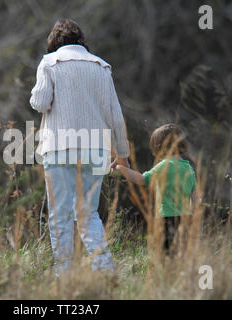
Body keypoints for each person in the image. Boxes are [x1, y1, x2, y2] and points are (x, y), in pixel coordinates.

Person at [30, 19, 129, 275]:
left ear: (54, 41)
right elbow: (115, 117)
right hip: (95, 149)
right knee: (88, 214)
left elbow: (40, 102)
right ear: (80, 40)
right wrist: (122, 154)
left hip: (59, 148)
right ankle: (105, 270)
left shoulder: (49, 63)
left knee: (60, 216)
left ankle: (64, 275)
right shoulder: (101, 66)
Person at [112, 124, 197, 253]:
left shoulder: (164, 166)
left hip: (167, 218)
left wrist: (120, 168)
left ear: (159, 147)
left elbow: (142, 180)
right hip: (185, 217)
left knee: (165, 253)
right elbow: (194, 196)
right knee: (181, 253)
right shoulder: (189, 168)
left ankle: (167, 273)